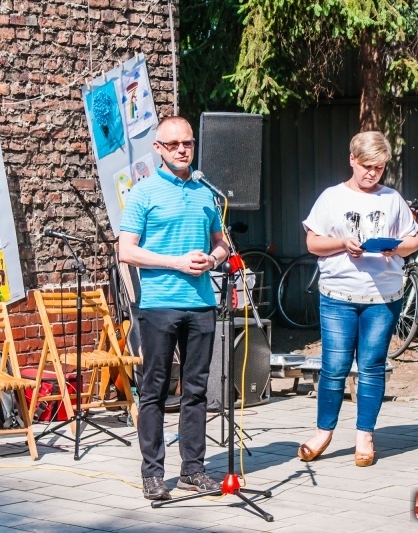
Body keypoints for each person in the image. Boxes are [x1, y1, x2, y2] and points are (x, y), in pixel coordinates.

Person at [119, 116, 229, 500]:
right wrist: (176, 262)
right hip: (159, 304)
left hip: (201, 304)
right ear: (159, 149)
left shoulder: (204, 192)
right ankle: (153, 473)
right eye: (175, 144)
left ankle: (193, 470)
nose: (183, 149)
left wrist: (212, 261)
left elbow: (222, 243)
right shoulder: (143, 193)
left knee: (197, 390)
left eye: (189, 143)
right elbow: (126, 250)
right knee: (154, 389)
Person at [298, 131, 418, 467]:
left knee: (371, 366)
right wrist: (342, 244)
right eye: (367, 166)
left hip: (382, 297)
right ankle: (324, 431)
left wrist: (393, 245)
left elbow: (413, 242)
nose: (372, 173)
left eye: (379, 168)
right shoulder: (331, 198)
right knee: (334, 367)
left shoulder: (392, 199)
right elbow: (312, 243)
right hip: (338, 295)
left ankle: (365, 435)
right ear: (352, 159)